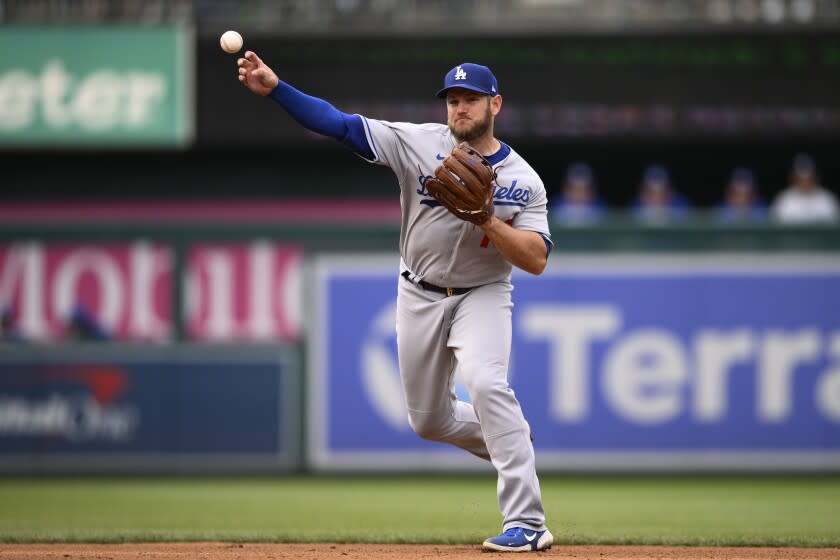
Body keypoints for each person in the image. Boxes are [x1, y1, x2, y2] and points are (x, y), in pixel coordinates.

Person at [237, 55, 554, 552]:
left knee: (489, 385)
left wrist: (489, 220)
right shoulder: (418, 143)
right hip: (418, 291)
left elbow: (535, 260)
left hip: (483, 294)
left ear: (495, 104)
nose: (460, 109)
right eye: (453, 100)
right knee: (429, 421)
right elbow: (338, 125)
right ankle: (508, 436)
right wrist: (277, 88)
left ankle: (527, 524)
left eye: (471, 99)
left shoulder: (523, 179)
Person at [771, 154, 838, 224]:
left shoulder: (827, 199)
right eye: (800, 179)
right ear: (793, 178)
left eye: (809, 178)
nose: (805, 182)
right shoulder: (784, 200)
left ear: (816, 177)